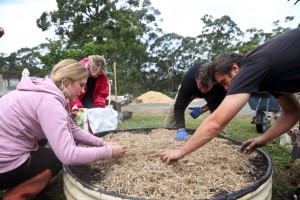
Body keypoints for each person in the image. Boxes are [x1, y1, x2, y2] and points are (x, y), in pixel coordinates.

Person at [160, 27, 300, 198]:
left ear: (235, 68)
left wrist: (181, 152)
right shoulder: (266, 71)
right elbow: (293, 111)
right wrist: (264, 138)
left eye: (224, 82)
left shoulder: (251, 67)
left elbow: (215, 123)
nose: (226, 88)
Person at [0, 59, 127, 199]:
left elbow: (71, 128)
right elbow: (68, 155)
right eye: (81, 85)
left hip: (6, 146)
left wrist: (101, 143)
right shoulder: (49, 103)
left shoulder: (42, 90)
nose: (83, 90)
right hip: (3, 164)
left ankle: (34, 179)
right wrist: (109, 152)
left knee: (46, 148)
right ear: (66, 81)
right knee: (55, 160)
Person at [164, 62, 227, 141]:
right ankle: (167, 133)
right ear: (196, 79)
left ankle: (222, 138)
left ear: (214, 82)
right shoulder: (189, 80)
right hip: (192, 91)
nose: (203, 91)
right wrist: (181, 129)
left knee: (220, 113)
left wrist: (203, 109)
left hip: (213, 94)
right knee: (173, 111)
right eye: (201, 86)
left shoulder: (220, 82)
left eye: (206, 87)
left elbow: (220, 101)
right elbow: (179, 106)